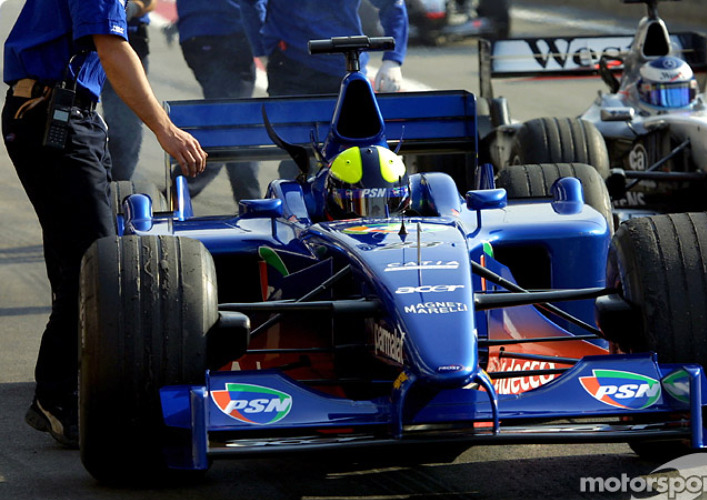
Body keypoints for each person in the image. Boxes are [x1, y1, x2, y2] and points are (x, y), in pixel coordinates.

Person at [3, 0, 207, 448]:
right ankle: (58, 396)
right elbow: (113, 48)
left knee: (80, 260)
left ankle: (63, 392)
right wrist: (165, 129)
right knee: (96, 265)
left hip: (60, 112)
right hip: (53, 115)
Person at [174, 0, 262, 202]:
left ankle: (250, 200)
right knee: (232, 126)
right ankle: (177, 192)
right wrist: (263, 43)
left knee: (229, 120)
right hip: (229, 32)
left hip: (193, 33)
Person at [239, 0, 409, 97]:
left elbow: (393, 5)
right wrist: (261, 49)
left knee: (354, 148)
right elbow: (250, 3)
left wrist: (392, 61)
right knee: (298, 150)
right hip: (290, 68)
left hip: (345, 68)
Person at [100, 0, 156, 182]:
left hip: (129, 39)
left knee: (126, 127)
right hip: (82, 39)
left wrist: (132, 7)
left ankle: (116, 187)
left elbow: (150, 3)